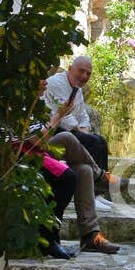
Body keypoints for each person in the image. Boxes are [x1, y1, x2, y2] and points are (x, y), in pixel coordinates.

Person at [24, 80, 119, 256]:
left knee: (84, 170)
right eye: (40, 80)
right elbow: (37, 140)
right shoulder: (20, 104)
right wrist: (59, 115)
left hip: (38, 150)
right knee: (68, 137)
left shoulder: (36, 103)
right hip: (25, 155)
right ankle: (102, 177)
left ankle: (91, 236)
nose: (44, 83)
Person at [43, 56, 110, 198]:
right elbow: (65, 118)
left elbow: (83, 116)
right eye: (81, 71)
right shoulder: (56, 83)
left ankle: (98, 194)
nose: (84, 76)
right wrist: (82, 133)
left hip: (68, 130)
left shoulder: (76, 89)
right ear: (70, 69)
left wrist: (84, 131)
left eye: (88, 73)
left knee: (100, 141)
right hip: (51, 130)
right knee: (94, 142)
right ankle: (91, 193)